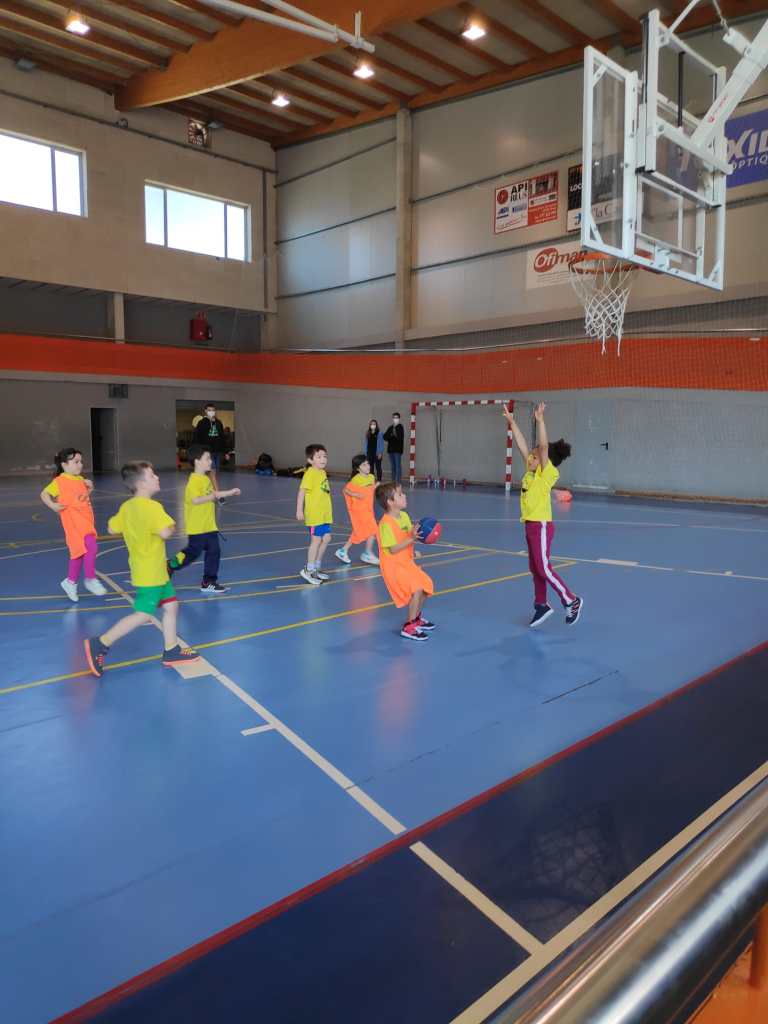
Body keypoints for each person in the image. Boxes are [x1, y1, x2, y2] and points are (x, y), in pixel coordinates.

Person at [83, 462, 201, 677]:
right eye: (152, 475)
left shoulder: (127, 507)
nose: (157, 477)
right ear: (141, 484)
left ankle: (171, 650)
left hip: (150, 570)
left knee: (171, 606)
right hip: (152, 573)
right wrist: (171, 526)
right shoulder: (153, 507)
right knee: (143, 614)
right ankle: (101, 643)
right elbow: (165, 532)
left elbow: (111, 527)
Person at [503, 402, 582, 628]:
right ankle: (541, 604)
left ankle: (571, 600)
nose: (530, 457)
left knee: (544, 567)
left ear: (544, 461)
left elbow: (544, 447)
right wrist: (512, 423)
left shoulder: (547, 474)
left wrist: (540, 421)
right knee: (535, 567)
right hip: (530, 525)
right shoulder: (531, 471)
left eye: (535, 456)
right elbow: (521, 445)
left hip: (541, 526)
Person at [167, 444, 240, 594]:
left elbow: (214, 494)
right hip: (197, 527)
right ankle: (171, 565)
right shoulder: (194, 481)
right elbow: (195, 500)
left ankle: (208, 582)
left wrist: (230, 493)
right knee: (192, 553)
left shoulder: (205, 479)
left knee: (214, 551)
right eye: (207, 458)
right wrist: (214, 496)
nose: (210, 461)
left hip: (209, 526)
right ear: (197, 461)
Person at [40, 447, 107, 602]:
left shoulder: (81, 480)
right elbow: (44, 494)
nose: (80, 465)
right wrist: (53, 505)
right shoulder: (59, 481)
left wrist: (90, 489)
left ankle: (70, 582)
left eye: (81, 461)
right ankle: (90, 579)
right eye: (76, 462)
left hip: (86, 521)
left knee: (78, 554)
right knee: (91, 547)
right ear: (64, 464)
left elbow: (81, 499)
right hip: (73, 524)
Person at [376, 481, 435, 641]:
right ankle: (409, 627)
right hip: (393, 566)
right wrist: (411, 539)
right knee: (416, 588)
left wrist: (418, 535)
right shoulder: (385, 524)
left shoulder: (405, 516)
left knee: (426, 585)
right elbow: (393, 549)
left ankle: (416, 618)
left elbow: (408, 535)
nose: (405, 496)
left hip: (407, 562)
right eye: (400, 494)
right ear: (390, 502)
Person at [296, 444, 332, 586]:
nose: (323, 459)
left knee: (327, 538)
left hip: (324, 514)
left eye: (325, 456)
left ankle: (316, 567)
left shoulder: (322, 472)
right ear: (310, 460)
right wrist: (299, 510)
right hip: (315, 514)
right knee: (316, 540)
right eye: (319, 457)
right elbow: (302, 492)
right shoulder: (310, 473)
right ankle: (309, 569)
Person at [336, 454, 380, 566]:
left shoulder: (371, 477)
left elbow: (369, 490)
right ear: (357, 468)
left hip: (368, 508)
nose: (367, 466)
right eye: (364, 465)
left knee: (361, 531)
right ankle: (367, 553)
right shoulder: (356, 480)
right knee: (373, 529)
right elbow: (346, 490)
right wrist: (355, 494)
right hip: (360, 509)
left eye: (368, 464)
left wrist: (375, 486)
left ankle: (343, 550)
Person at [193, 403, 227, 489]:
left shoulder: (219, 423)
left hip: (217, 452)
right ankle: (217, 493)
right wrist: (198, 452)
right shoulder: (201, 423)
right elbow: (197, 438)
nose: (211, 412)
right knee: (212, 472)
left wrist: (226, 452)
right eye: (209, 410)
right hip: (207, 452)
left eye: (213, 410)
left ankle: (209, 490)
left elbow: (222, 437)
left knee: (215, 472)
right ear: (205, 411)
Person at [383, 412, 405, 483]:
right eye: (394, 417)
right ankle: (393, 482)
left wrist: (393, 435)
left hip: (397, 450)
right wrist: (391, 435)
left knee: (398, 466)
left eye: (397, 418)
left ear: (399, 418)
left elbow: (400, 438)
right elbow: (385, 437)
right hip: (390, 450)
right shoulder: (390, 427)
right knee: (393, 467)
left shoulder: (400, 427)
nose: (395, 419)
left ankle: (398, 482)